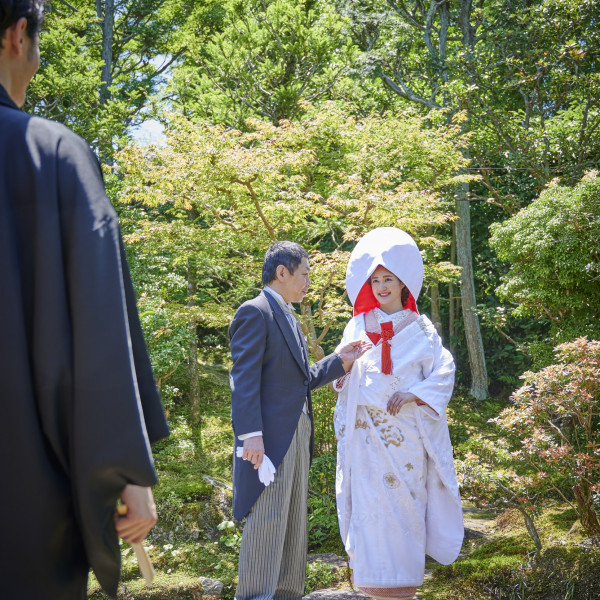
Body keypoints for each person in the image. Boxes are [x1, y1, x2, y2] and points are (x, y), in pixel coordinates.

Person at [0, 2, 169, 598]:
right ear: (19, 35)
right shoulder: (51, 157)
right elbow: (96, 335)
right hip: (21, 510)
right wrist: (125, 471)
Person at [229, 241, 370, 600]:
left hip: (296, 432)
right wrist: (251, 437)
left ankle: (287, 595)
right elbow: (243, 380)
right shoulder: (255, 311)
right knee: (267, 520)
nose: (308, 281)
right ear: (282, 272)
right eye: (304, 273)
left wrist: (341, 359)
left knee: (292, 523)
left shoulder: (289, 317)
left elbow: (301, 379)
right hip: (268, 439)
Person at [333, 228, 463, 600]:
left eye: (388, 279)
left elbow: (444, 373)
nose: (381, 286)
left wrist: (413, 394)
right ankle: (373, 588)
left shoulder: (422, 330)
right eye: (375, 280)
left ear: (403, 283)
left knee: (406, 508)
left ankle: (404, 589)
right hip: (366, 440)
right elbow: (339, 378)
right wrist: (346, 366)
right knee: (370, 510)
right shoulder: (357, 325)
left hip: (407, 439)